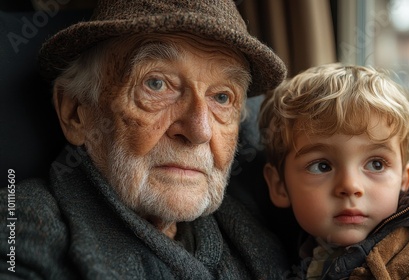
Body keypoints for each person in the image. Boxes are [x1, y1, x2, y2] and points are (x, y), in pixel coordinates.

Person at [0, 0, 290, 279]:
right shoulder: (20, 224)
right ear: (76, 113)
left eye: (222, 97)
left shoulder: (265, 219)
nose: (199, 131)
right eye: (157, 83)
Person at [259, 64, 409, 279]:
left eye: (376, 164)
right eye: (322, 166)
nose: (350, 186)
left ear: (404, 180)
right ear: (280, 186)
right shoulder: (287, 251)